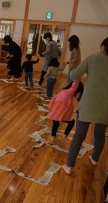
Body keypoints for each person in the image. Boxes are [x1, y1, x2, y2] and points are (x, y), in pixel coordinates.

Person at [62, 37, 108, 175]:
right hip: (105, 106)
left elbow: (75, 74)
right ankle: (94, 159)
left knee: (79, 136)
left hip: (88, 103)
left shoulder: (92, 58)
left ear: (102, 46)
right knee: (100, 135)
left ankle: (69, 166)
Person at [47, 80, 84, 144]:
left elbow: (54, 99)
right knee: (72, 122)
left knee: (55, 124)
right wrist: (77, 77)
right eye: (78, 91)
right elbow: (75, 84)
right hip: (60, 112)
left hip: (54, 111)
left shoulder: (63, 91)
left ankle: (52, 139)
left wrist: (50, 109)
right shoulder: (70, 91)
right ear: (76, 89)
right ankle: (65, 134)